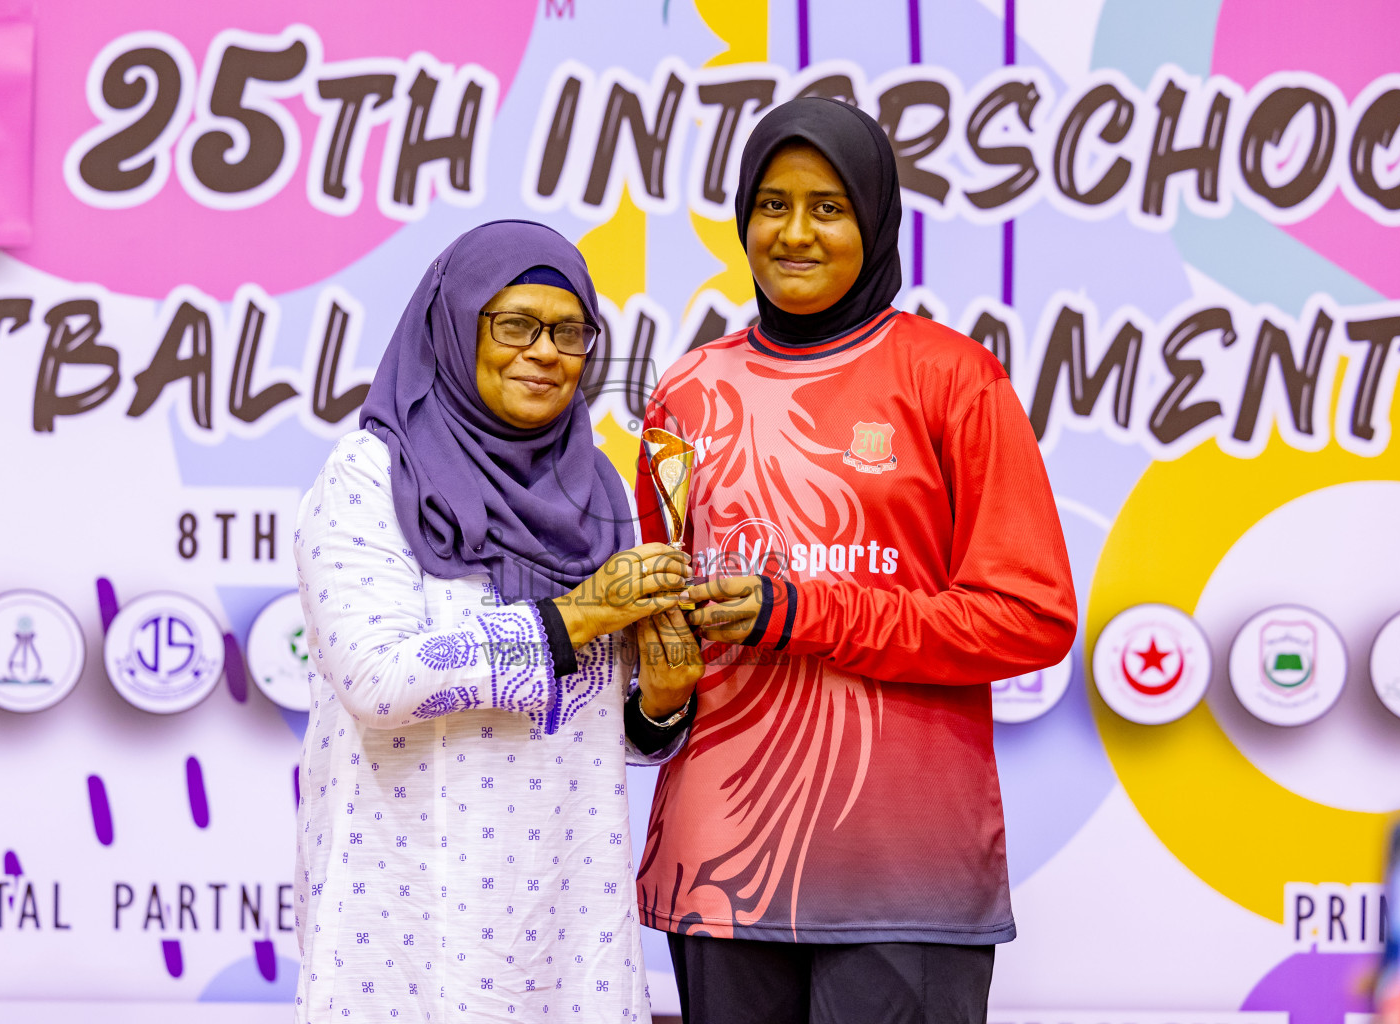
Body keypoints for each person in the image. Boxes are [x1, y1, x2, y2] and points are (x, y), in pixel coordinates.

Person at [633, 97, 1078, 1022]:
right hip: (719, 865)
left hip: (902, 873)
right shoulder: (687, 393)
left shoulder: (953, 378)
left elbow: (1032, 613)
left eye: (828, 208)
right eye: (771, 204)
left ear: (874, 220)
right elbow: (657, 627)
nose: (794, 233)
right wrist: (652, 691)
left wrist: (802, 612)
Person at [292, 219, 702, 1022]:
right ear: (453, 327)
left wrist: (658, 702)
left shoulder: (598, 492)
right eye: (514, 324)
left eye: (570, 330)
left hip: (566, 914)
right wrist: (578, 614)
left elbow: (587, 720)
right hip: (408, 918)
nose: (546, 352)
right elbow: (379, 682)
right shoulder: (370, 478)